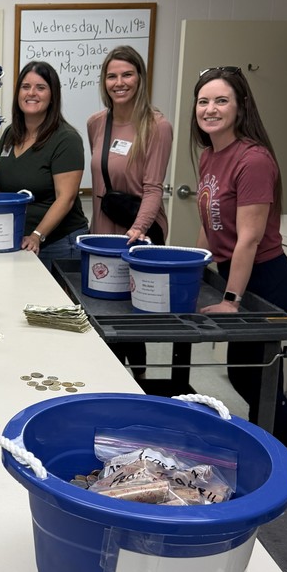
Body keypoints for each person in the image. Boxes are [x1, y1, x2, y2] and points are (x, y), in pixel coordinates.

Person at [191, 65, 287, 458]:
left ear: (241, 106)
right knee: (247, 372)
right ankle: (283, 441)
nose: (210, 109)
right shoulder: (211, 154)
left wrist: (231, 298)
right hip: (233, 272)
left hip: (264, 276)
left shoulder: (253, 159)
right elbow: (210, 222)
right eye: (203, 101)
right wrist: (195, 267)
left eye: (220, 100)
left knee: (255, 373)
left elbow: (249, 238)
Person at [87, 46, 173, 380]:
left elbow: (153, 188)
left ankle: (136, 389)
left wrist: (135, 232)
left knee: (131, 322)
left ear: (140, 78)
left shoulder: (157, 126)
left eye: (127, 74)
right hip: (103, 233)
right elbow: (99, 180)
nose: (119, 82)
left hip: (140, 233)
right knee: (104, 319)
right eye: (112, 76)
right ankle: (108, 385)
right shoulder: (97, 123)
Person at [0, 60, 88, 270]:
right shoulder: (10, 134)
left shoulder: (66, 139)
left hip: (59, 244)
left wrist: (37, 235)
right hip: (19, 240)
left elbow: (66, 198)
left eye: (41, 88)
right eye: (26, 87)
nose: (32, 93)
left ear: (52, 96)